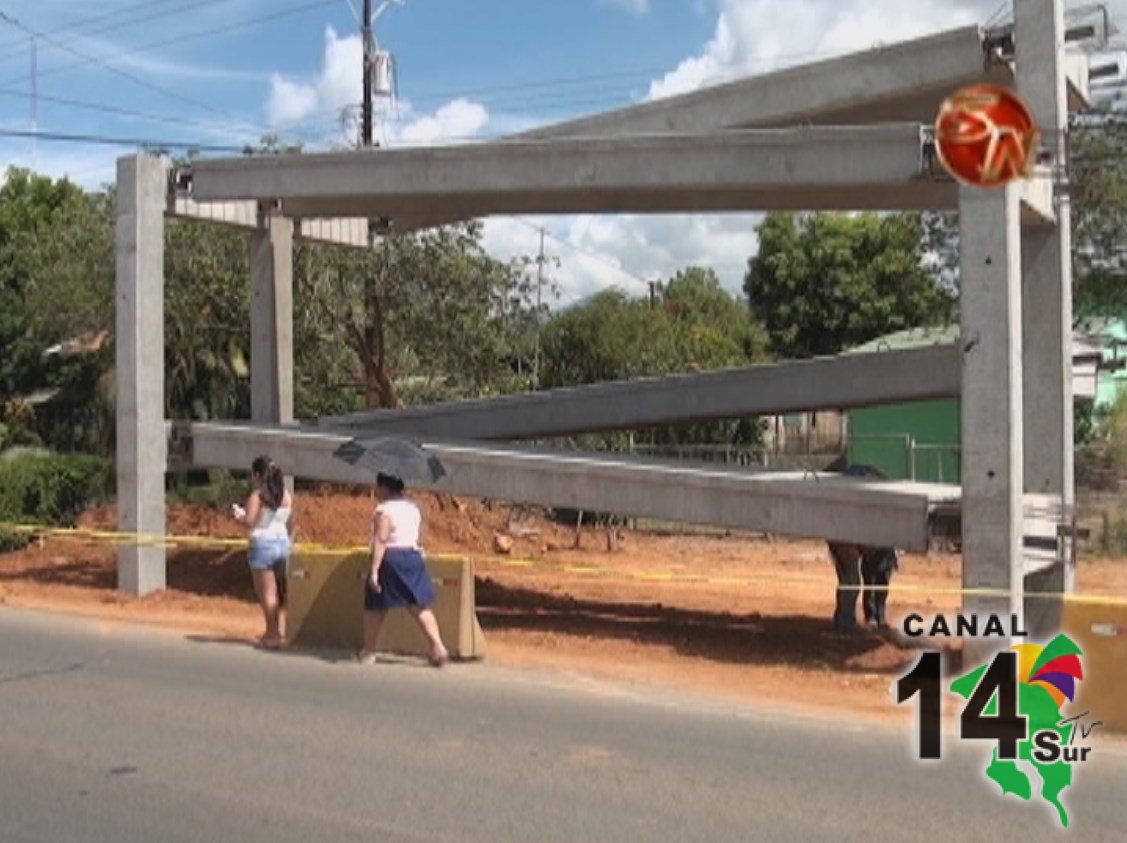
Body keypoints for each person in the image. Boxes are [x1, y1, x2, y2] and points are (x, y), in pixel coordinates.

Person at [359, 473, 449, 667]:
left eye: (378, 486)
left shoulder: (384, 510)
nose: (376, 490)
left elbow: (382, 538)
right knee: (418, 605)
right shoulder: (413, 508)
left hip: (391, 559)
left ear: (385, 487)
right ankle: (438, 647)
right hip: (412, 557)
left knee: (375, 607)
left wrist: (374, 570)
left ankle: (369, 650)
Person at [231, 456, 293, 649]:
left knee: (266, 592)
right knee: (280, 591)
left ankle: (273, 634)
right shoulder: (286, 496)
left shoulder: (257, 496)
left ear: (258, 475)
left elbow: (249, 521)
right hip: (282, 542)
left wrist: (238, 516)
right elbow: (291, 523)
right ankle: (276, 630)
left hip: (263, 544)